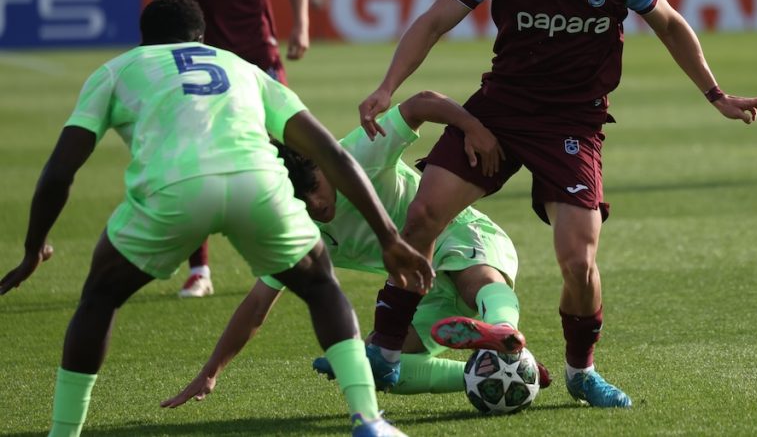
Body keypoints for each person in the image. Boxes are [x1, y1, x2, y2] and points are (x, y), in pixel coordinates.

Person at [357, 0, 757, 408]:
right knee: (423, 214)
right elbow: (434, 21)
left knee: (578, 262)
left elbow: (669, 25)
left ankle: (581, 372)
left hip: (574, 124)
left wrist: (717, 95)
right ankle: (386, 353)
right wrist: (388, 86)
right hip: (501, 110)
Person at [0, 0, 432, 437]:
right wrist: (387, 236)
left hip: (175, 190)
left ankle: (63, 433)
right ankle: (368, 419)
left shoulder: (116, 70)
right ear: (201, 39)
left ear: (144, 41)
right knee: (321, 285)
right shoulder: (239, 66)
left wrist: (33, 249)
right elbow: (330, 152)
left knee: (99, 298)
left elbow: (58, 172)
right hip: (259, 183)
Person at [163, 90, 554, 406]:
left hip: (456, 231)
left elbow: (420, 104)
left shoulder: (353, 155)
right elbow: (257, 306)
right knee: (381, 369)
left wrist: (472, 126)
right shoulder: (298, 229)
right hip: (420, 289)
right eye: (302, 201)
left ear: (319, 164)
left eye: (314, 187)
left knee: (474, 281)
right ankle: (506, 368)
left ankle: (503, 328)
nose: (315, 204)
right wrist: (211, 371)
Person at [137, 0, 311, 298]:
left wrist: (299, 23)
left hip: (255, 42)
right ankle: (200, 269)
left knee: (290, 140)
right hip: (192, 43)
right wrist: (164, 6)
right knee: (193, 144)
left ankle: (301, 250)